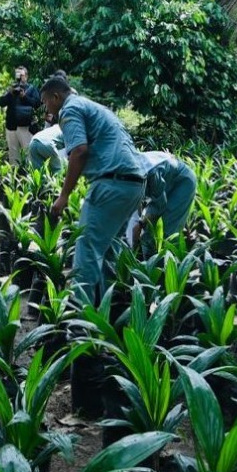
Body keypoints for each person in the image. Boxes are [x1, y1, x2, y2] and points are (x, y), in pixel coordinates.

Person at [42, 76, 146, 305]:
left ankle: (82, 315)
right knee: (108, 250)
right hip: (134, 184)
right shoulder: (92, 106)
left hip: (111, 183)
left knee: (87, 247)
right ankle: (109, 309)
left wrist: (64, 195)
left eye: (45, 102)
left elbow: (79, 151)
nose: (46, 109)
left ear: (56, 97)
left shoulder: (70, 110)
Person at [130, 151, 197, 254]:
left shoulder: (151, 174)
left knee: (164, 231)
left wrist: (140, 224)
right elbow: (137, 202)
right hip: (167, 182)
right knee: (149, 228)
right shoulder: (127, 174)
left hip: (183, 182)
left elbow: (159, 205)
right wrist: (139, 222)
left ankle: (165, 261)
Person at [0, 66, 41, 164]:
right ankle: (15, 173)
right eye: (17, 75)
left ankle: (29, 173)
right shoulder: (11, 89)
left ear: (26, 76)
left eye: (21, 75)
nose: (19, 77)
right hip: (11, 127)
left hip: (26, 127)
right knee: (13, 155)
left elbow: (37, 104)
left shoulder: (31, 89)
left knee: (28, 153)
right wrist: (9, 93)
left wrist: (24, 96)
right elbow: (1, 102)